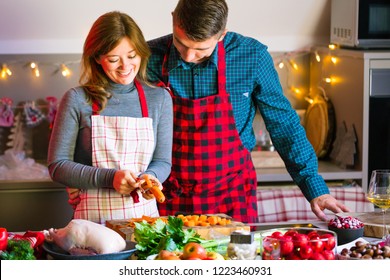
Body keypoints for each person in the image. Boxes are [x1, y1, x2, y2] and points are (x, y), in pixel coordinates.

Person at [68, 0, 350, 224]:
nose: (188, 56)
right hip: (166, 193)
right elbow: (106, 114)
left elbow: (285, 126)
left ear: (222, 35)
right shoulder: (147, 57)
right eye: (181, 44)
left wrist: (315, 187)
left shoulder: (251, 57)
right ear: (173, 20)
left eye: (200, 49)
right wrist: (82, 177)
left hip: (232, 193)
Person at [47, 11, 173, 225]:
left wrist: (150, 177)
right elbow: (57, 165)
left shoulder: (159, 98)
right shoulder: (77, 99)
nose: (125, 66)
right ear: (97, 58)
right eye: (114, 59)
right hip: (93, 224)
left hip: (145, 221)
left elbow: (163, 161)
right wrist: (109, 178)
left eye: (132, 56)